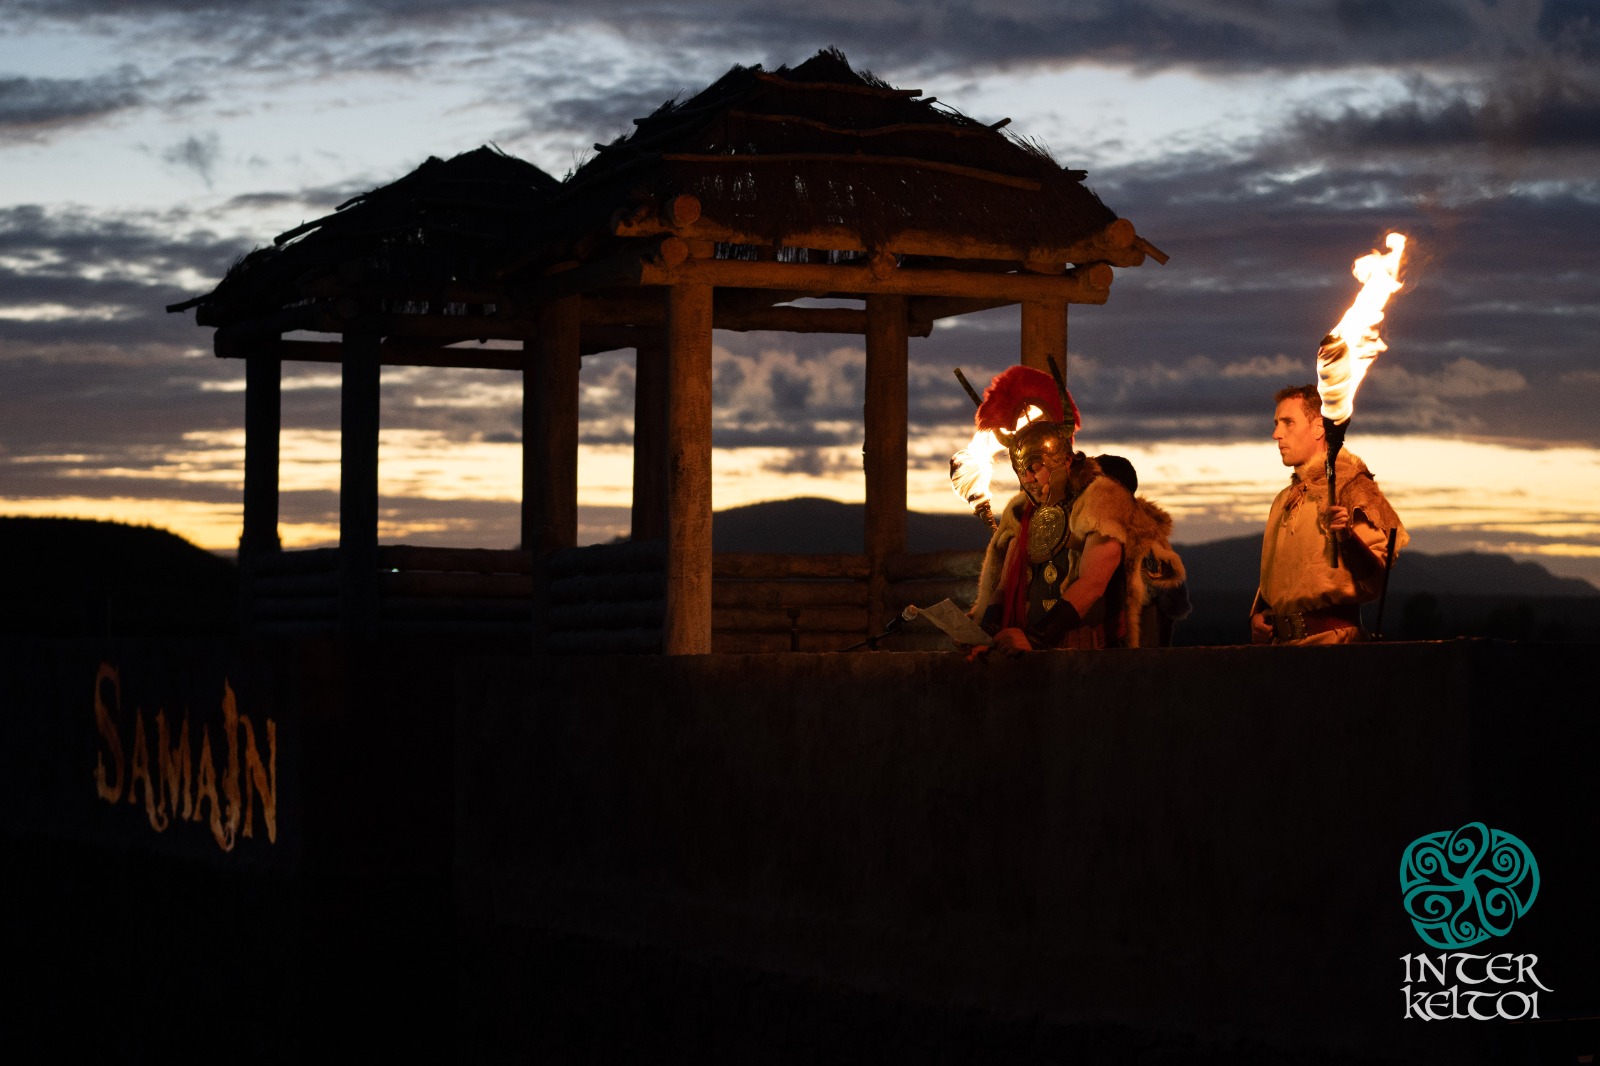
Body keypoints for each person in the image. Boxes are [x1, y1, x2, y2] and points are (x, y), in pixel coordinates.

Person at [967, 366, 1186, 654]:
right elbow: (1004, 587)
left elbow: (1092, 584)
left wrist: (1037, 637)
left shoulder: (1101, 501)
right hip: (1027, 654)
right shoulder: (1024, 513)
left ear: (1063, 461)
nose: (1029, 479)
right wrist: (984, 633)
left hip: (1091, 656)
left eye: (1035, 468)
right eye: (1022, 473)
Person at [1250, 384, 1408, 644]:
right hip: (1280, 652)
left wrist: (1347, 539)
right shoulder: (1284, 499)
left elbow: (1374, 580)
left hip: (1334, 648)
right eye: (1277, 423)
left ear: (1319, 428)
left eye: (1288, 422)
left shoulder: (1354, 490)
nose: (1276, 433)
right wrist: (1256, 616)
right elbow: (1280, 576)